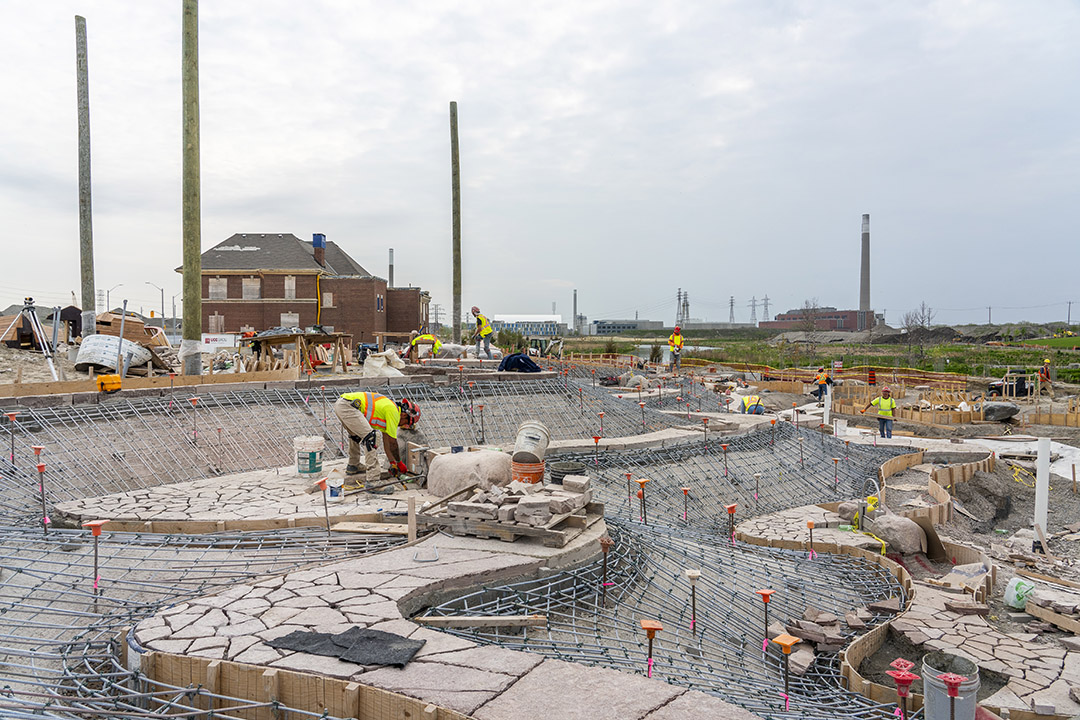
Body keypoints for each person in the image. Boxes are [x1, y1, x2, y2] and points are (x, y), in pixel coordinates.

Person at [333, 391, 420, 492]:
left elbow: (386, 441)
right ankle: (373, 482)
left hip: (343, 404)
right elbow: (393, 443)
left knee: (356, 435)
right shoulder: (393, 412)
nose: (404, 426)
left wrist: (393, 463)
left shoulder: (390, 408)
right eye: (407, 423)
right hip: (348, 406)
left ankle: (353, 465)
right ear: (405, 415)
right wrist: (399, 462)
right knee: (372, 437)